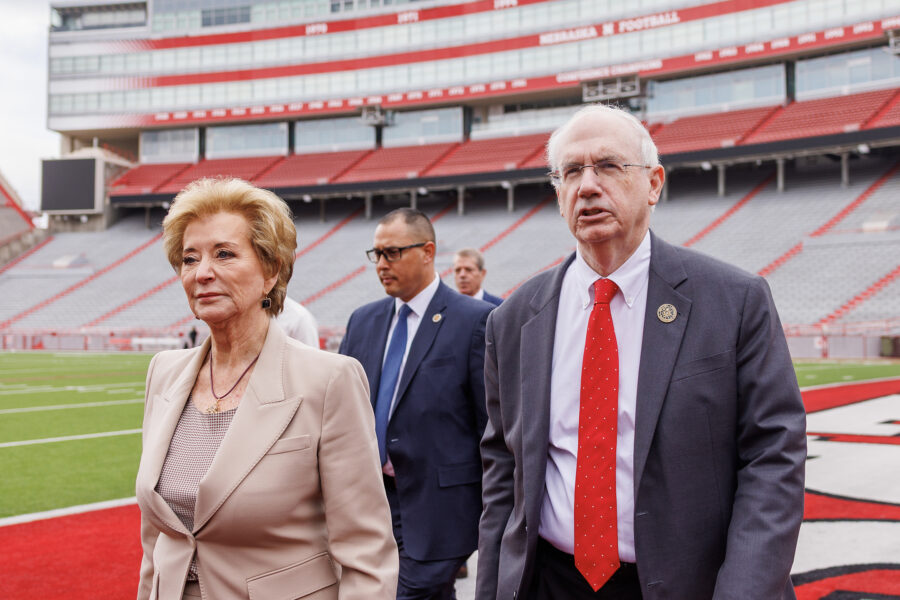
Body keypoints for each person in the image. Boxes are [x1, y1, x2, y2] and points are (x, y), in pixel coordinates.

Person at [476, 105, 807, 600]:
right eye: (571, 171)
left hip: (692, 586)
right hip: (548, 581)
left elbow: (773, 457)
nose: (588, 186)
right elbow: (504, 473)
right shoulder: (513, 319)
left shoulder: (735, 301)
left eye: (608, 166)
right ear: (559, 194)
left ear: (653, 184)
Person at [135, 178, 398, 600]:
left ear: (271, 270)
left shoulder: (329, 380)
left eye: (224, 254)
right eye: (189, 258)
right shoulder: (164, 373)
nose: (202, 273)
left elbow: (366, 553)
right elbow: (157, 538)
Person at [339, 208, 493, 600]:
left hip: (440, 508)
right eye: (377, 254)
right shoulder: (363, 321)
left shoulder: (475, 320)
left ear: (428, 252)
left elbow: (491, 425)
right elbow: (342, 411)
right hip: (373, 503)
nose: (382, 264)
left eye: (392, 253)